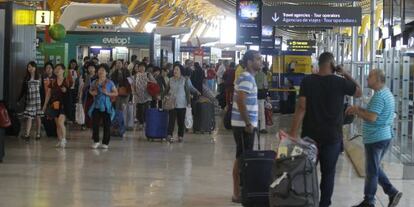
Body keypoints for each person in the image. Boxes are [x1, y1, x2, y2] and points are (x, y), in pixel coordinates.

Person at [288, 52, 362, 207]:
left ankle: (307, 201)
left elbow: (301, 107)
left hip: (310, 137)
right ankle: (324, 204)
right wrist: (345, 73)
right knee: (328, 174)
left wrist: (292, 134)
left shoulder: (307, 81)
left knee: (307, 172)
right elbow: (359, 91)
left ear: (319, 64)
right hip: (332, 137)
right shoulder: (340, 82)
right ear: (332, 64)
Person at [346, 69, 402, 207]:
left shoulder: (379, 96)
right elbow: (373, 112)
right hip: (383, 136)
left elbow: (371, 117)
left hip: (376, 138)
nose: (367, 78)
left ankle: (369, 201)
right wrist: (358, 108)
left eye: (370, 76)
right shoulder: (385, 93)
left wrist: (357, 112)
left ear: (377, 79)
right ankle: (392, 192)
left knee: (371, 171)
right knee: (374, 167)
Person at [231, 50, 262, 203]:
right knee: (243, 159)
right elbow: (240, 100)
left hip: (244, 125)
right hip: (244, 126)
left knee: (242, 158)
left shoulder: (247, 77)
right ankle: (238, 193)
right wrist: (248, 123)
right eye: (258, 59)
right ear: (249, 62)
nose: (261, 61)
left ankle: (240, 192)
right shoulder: (247, 78)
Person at [167, 64, 200, 143]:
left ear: (181, 71)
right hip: (172, 103)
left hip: (182, 103)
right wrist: (162, 96)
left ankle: (180, 136)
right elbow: (166, 90)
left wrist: (188, 103)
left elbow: (187, 92)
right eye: (174, 69)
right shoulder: (170, 80)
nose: (175, 71)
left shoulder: (184, 80)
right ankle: (169, 135)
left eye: (177, 69)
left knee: (180, 121)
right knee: (171, 120)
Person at [88, 64, 118, 149]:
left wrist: (107, 93)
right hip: (96, 106)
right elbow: (90, 90)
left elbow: (116, 93)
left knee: (106, 125)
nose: (100, 72)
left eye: (103, 70)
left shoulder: (110, 82)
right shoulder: (94, 82)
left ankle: (105, 142)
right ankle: (96, 141)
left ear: (107, 72)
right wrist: (92, 93)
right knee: (95, 124)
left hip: (106, 106)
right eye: (99, 70)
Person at [42, 64, 71, 148]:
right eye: (56, 68)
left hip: (64, 105)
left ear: (63, 70)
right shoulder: (53, 82)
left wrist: (65, 91)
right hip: (54, 105)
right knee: (57, 124)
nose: (57, 70)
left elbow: (71, 94)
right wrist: (44, 105)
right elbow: (48, 94)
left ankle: (64, 139)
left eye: (59, 69)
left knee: (61, 122)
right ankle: (60, 139)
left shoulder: (67, 81)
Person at [18, 61, 44, 142]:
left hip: (38, 100)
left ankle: (38, 133)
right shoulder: (26, 78)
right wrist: (19, 99)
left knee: (37, 117)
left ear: (35, 68)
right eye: (28, 67)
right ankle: (27, 135)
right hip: (29, 100)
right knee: (29, 117)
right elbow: (23, 89)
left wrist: (44, 102)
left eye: (31, 67)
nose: (30, 68)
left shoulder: (39, 77)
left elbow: (42, 90)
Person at [132, 62, 156, 129]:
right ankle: (141, 123)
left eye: (143, 67)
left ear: (145, 68)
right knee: (139, 110)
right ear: (138, 67)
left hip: (147, 95)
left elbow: (155, 82)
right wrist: (133, 92)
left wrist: (149, 81)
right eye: (140, 67)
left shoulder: (148, 74)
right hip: (138, 95)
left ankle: (145, 122)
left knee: (145, 109)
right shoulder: (136, 75)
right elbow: (133, 84)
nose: (142, 68)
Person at [79, 62, 97, 129]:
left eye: (92, 68)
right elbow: (82, 87)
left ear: (95, 69)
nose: (91, 69)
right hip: (87, 96)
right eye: (89, 68)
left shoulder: (97, 77)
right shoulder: (86, 77)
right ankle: (86, 124)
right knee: (86, 110)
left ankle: (93, 124)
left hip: (95, 97)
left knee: (94, 110)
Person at [255, 66, 269, 134]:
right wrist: (266, 95)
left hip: (253, 95)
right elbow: (265, 86)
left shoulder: (252, 74)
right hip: (261, 95)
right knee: (262, 112)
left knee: (254, 112)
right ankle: (262, 128)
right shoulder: (263, 75)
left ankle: (255, 127)